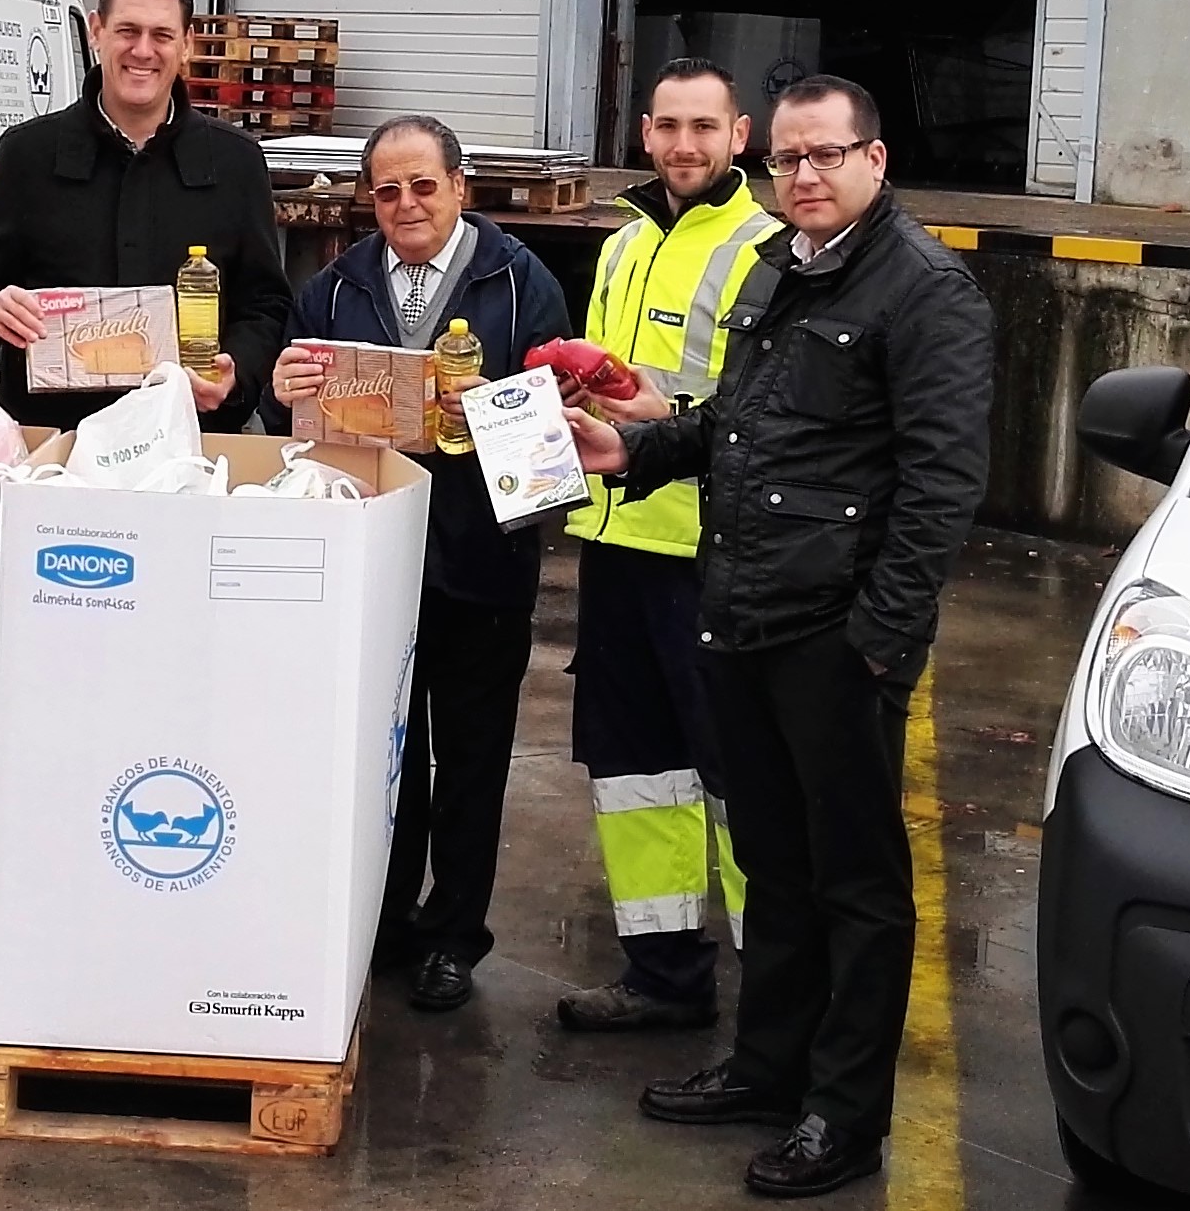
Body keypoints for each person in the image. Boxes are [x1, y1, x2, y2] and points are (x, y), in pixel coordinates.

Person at [563, 75, 993, 1198]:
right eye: (789, 162)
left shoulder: (926, 293)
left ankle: (843, 1116)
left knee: (855, 882)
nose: (802, 177)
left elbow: (941, 490)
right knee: (774, 862)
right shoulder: (775, 269)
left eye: (824, 156)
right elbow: (736, 429)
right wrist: (634, 455)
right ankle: (767, 1067)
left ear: (875, 161)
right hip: (741, 610)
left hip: (834, 634)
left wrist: (882, 643)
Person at [259, 114, 571, 1014]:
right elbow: (303, 438)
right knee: (385, 756)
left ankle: (453, 936)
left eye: (423, 185)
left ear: (459, 186)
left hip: (483, 560)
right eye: (386, 190)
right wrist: (285, 397)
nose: (405, 205)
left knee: (472, 763)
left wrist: (500, 409)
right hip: (377, 558)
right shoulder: (332, 287)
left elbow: (556, 431)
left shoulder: (520, 283)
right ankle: (386, 922)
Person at [555, 59, 779, 1034]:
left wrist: (668, 415)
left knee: (734, 779)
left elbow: (764, 415)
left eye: (706, 127)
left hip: (705, 553)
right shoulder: (621, 245)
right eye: (669, 127)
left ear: (740, 137)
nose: (685, 145)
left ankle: (773, 992)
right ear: (644, 134)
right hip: (613, 541)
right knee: (636, 770)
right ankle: (663, 976)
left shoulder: (767, 252)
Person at [0, 0, 291, 432]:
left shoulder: (236, 163)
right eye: (127, 30)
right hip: (53, 444)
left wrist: (237, 371)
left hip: (188, 441)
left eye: (162, 35)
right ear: (96, 31)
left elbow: (265, 304)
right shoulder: (29, 155)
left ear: (187, 45)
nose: (143, 50)